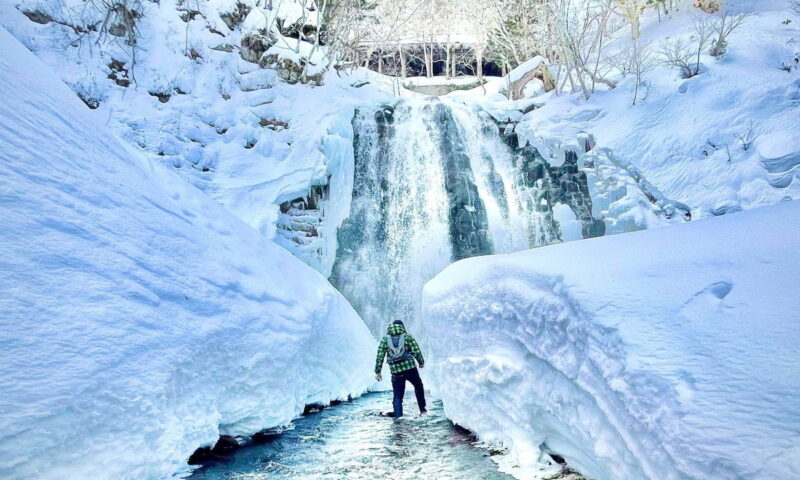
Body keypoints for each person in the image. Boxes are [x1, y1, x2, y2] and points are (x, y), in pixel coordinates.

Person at [374, 320, 427, 417]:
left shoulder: (385, 340)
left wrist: (378, 372)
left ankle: (398, 418)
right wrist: (421, 362)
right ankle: (423, 411)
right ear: (402, 327)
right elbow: (416, 351)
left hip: (396, 372)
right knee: (418, 386)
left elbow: (380, 356)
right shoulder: (408, 337)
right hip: (410, 369)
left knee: (398, 396)